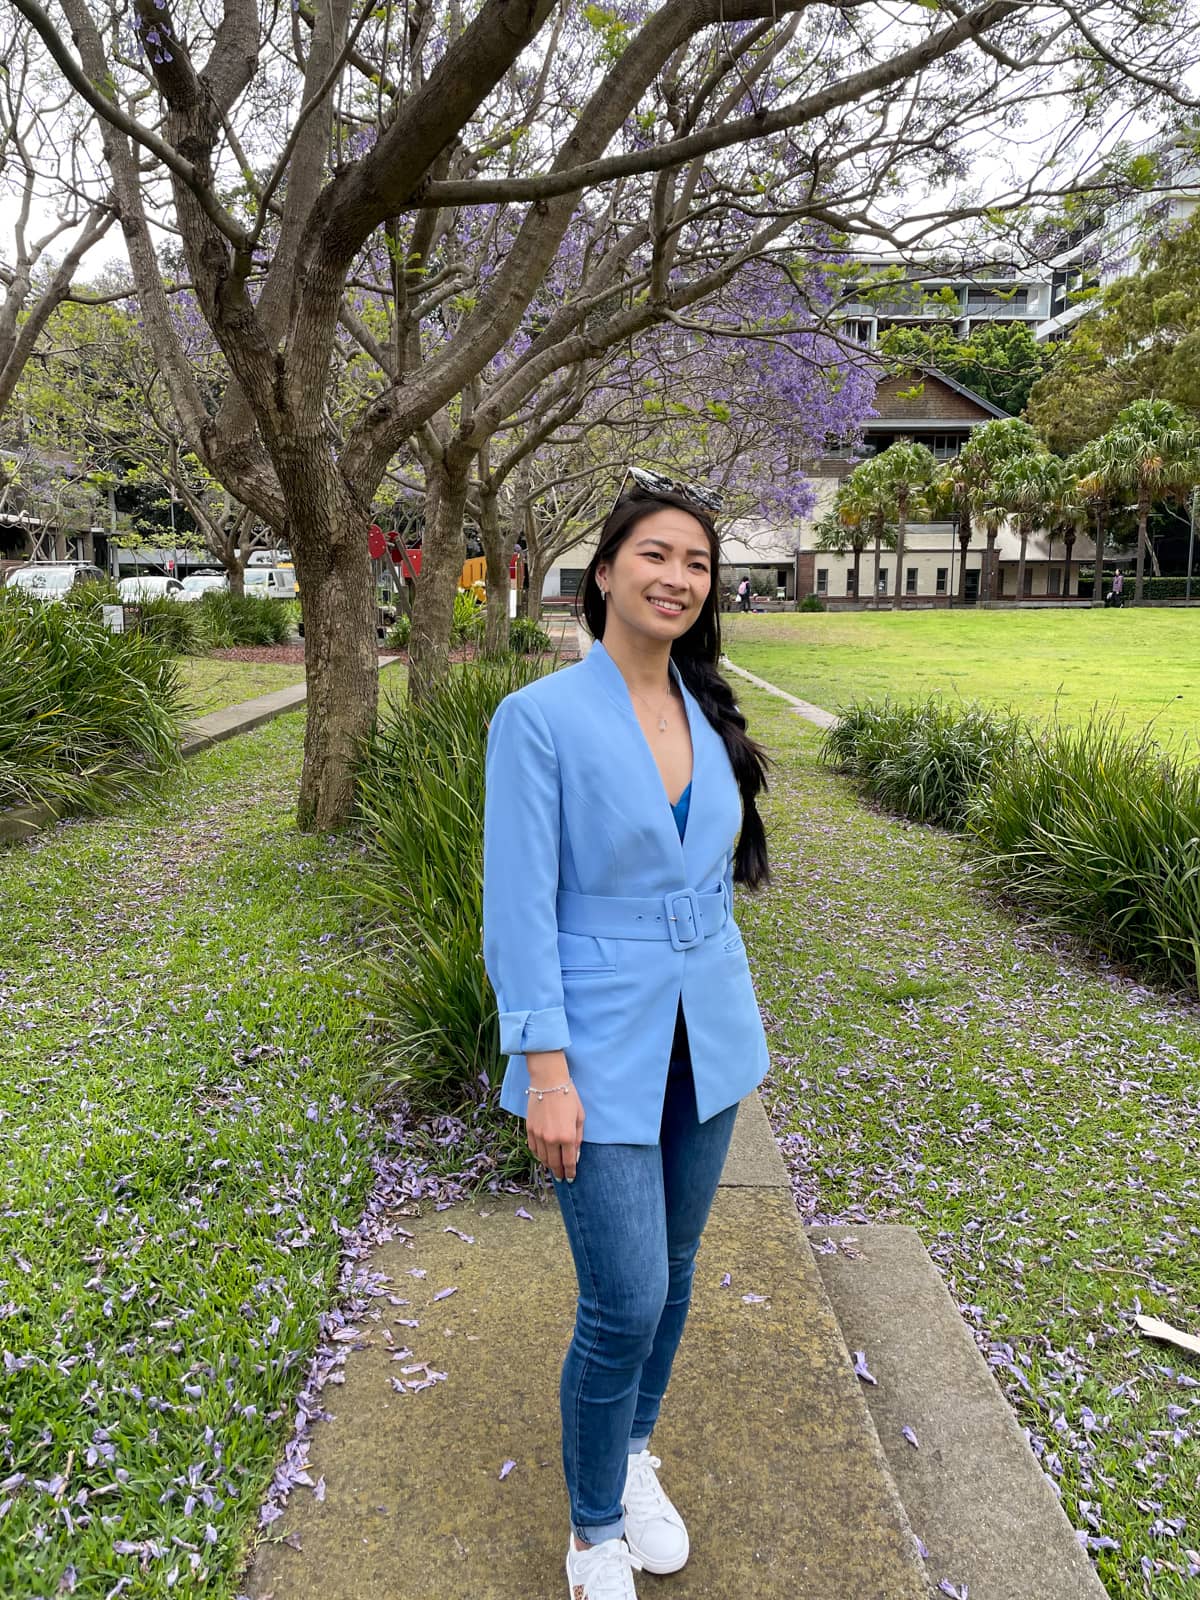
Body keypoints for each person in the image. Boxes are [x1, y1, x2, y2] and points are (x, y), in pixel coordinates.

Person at [483, 480, 771, 1600]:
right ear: (604, 572)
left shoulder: (708, 711)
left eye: (697, 562)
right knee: (626, 1295)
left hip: (709, 1032)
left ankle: (635, 1452)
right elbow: (520, 907)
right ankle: (592, 1524)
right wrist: (543, 1071)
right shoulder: (541, 719)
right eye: (656, 554)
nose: (678, 577)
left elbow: (710, 878)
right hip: (594, 1043)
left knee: (682, 1268)